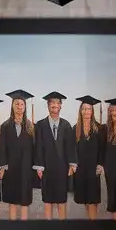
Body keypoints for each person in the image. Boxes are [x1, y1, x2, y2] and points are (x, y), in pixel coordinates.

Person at [33, 91, 77, 220]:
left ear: (61, 106)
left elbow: (71, 147)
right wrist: (39, 166)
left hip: (62, 169)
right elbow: (38, 147)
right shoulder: (40, 125)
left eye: (57, 103)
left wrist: (72, 164)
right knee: (48, 201)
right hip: (46, 168)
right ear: (48, 105)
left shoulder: (66, 125)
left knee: (61, 201)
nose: (55, 105)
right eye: (52, 102)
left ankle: (62, 229)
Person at [0, 89, 36, 221]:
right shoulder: (5, 126)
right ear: (12, 106)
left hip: (26, 168)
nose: (19, 107)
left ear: (25, 107)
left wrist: (36, 167)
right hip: (11, 169)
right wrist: (3, 166)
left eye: (22, 104)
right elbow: (1, 148)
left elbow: (35, 149)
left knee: (25, 202)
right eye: (17, 104)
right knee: (12, 201)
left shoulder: (31, 127)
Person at [72, 95, 103, 221]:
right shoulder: (75, 129)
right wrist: (73, 165)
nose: (86, 111)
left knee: (92, 199)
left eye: (89, 109)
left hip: (93, 168)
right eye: (84, 109)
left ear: (92, 111)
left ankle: (93, 224)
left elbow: (102, 149)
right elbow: (72, 149)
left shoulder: (99, 128)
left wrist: (100, 164)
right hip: (80, 169)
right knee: (86, 199)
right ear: (80, 111)